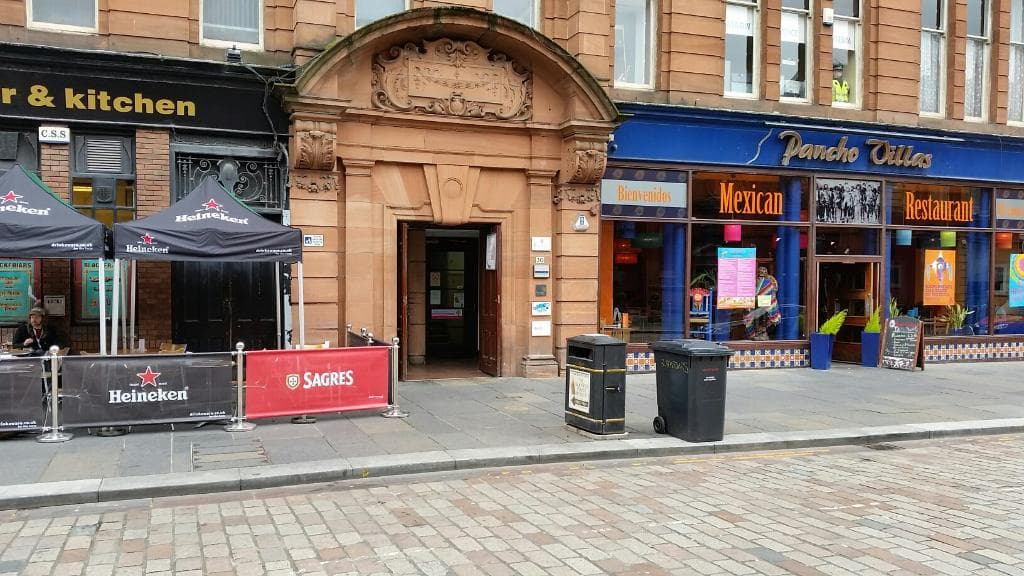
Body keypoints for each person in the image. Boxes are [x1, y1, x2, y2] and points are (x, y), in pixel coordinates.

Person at [744, 267, 782, 340]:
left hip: (763, 302)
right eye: (760, 272)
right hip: (759, 302)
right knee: (758, 317)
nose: (761, 274)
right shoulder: (761, 281)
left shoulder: (769, 281)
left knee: (761, 317)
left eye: (763, 272)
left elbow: (773, 291)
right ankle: (757, 332)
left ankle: (761, 332)